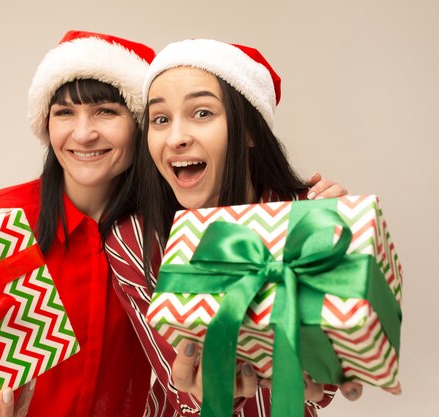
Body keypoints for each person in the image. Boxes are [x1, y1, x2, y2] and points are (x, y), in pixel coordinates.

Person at [105, 39, 373, 417]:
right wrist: (211, 391)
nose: (176, 137)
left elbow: (326, 385)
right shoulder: (133, 241)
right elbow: (181, 386)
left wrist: (341, 242)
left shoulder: (306, 216)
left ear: (250, 131)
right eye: (160, 119)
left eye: (201, 113)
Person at [0, 30, 156, 417]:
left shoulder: (161, 232)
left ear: (140, 124)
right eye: (65, 113)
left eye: (106, 111)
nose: (84, 133)